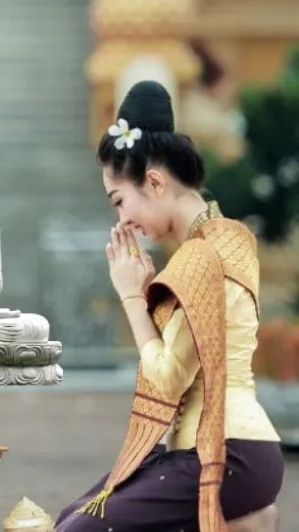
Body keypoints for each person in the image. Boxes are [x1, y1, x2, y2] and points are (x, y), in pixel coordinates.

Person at [55, 81, 284, 532]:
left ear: (155, 181)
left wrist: (132, 296)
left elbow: (169, 377)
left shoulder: (202, 257)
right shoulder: (228, 239)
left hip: (227, 450)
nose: (121, 219)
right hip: (235, 449)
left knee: (78, 529)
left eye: (120, 200)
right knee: (74, 517)